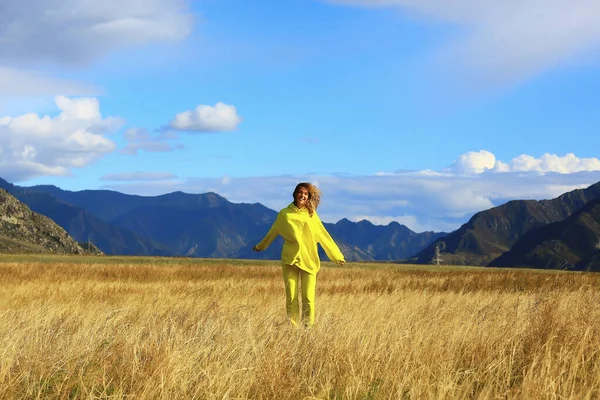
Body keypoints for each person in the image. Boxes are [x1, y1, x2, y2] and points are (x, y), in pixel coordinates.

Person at [253, 182, 345, 327]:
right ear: (295, 194)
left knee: (308, 298)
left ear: (308, 197)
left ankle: (308, 328)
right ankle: (293, 329)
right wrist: (260, 246)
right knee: (291, 297)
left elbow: (323, 235)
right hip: (290, 259)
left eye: (306, 194)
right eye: (300, 192)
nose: (302, 195)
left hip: (309, 259)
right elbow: (273, 232)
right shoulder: (284, 214)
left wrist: (337, 256)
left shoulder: (311, 214)